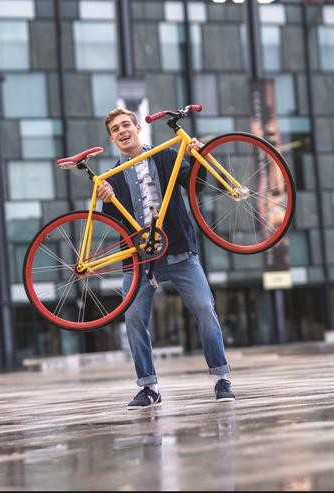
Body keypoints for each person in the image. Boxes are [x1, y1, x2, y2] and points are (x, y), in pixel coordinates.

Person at [98, 107, 235, 410]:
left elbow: (196, 185)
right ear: (112, 138)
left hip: (180, 252)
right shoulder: (112, 175)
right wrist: (106, 201)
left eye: (125, 125)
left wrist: (200, 157)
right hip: (139, 259)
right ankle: (148, 387)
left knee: (204, 308)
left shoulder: (165, 157)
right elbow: (114, 223)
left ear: (137, 128)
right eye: (115, 130)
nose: (122, 132)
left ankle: (221, 378)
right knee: (133, 318)